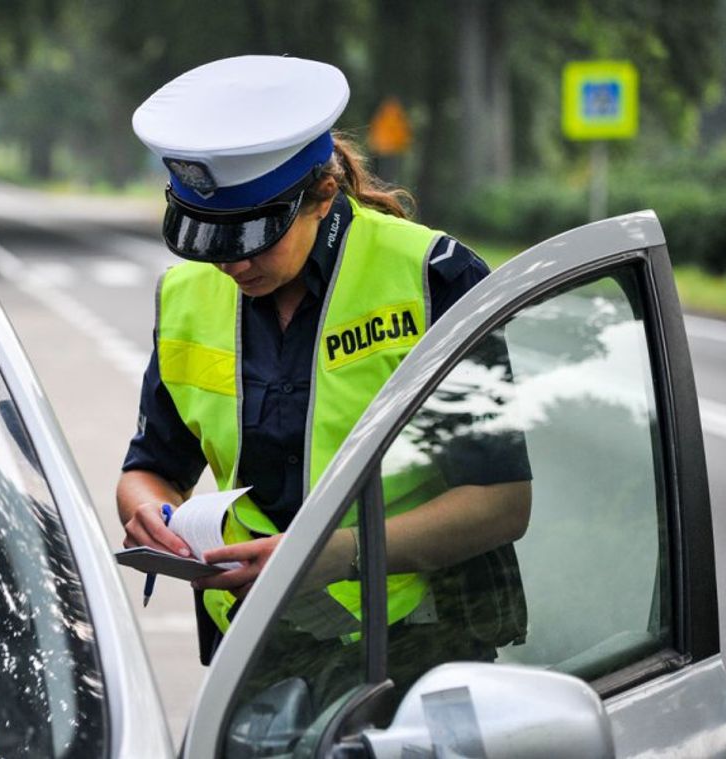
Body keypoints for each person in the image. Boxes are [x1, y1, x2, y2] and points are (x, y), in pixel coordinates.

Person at [116, 55, 531, 683]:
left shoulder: (433, 280)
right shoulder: (184, 296)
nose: (230, 264)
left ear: (323, 195)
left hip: (418, 651)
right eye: (212, 237)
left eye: (253, 238)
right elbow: (152, 469)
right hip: (254, 647)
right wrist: (148, 512)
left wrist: (335, 556)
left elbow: (502, 502)